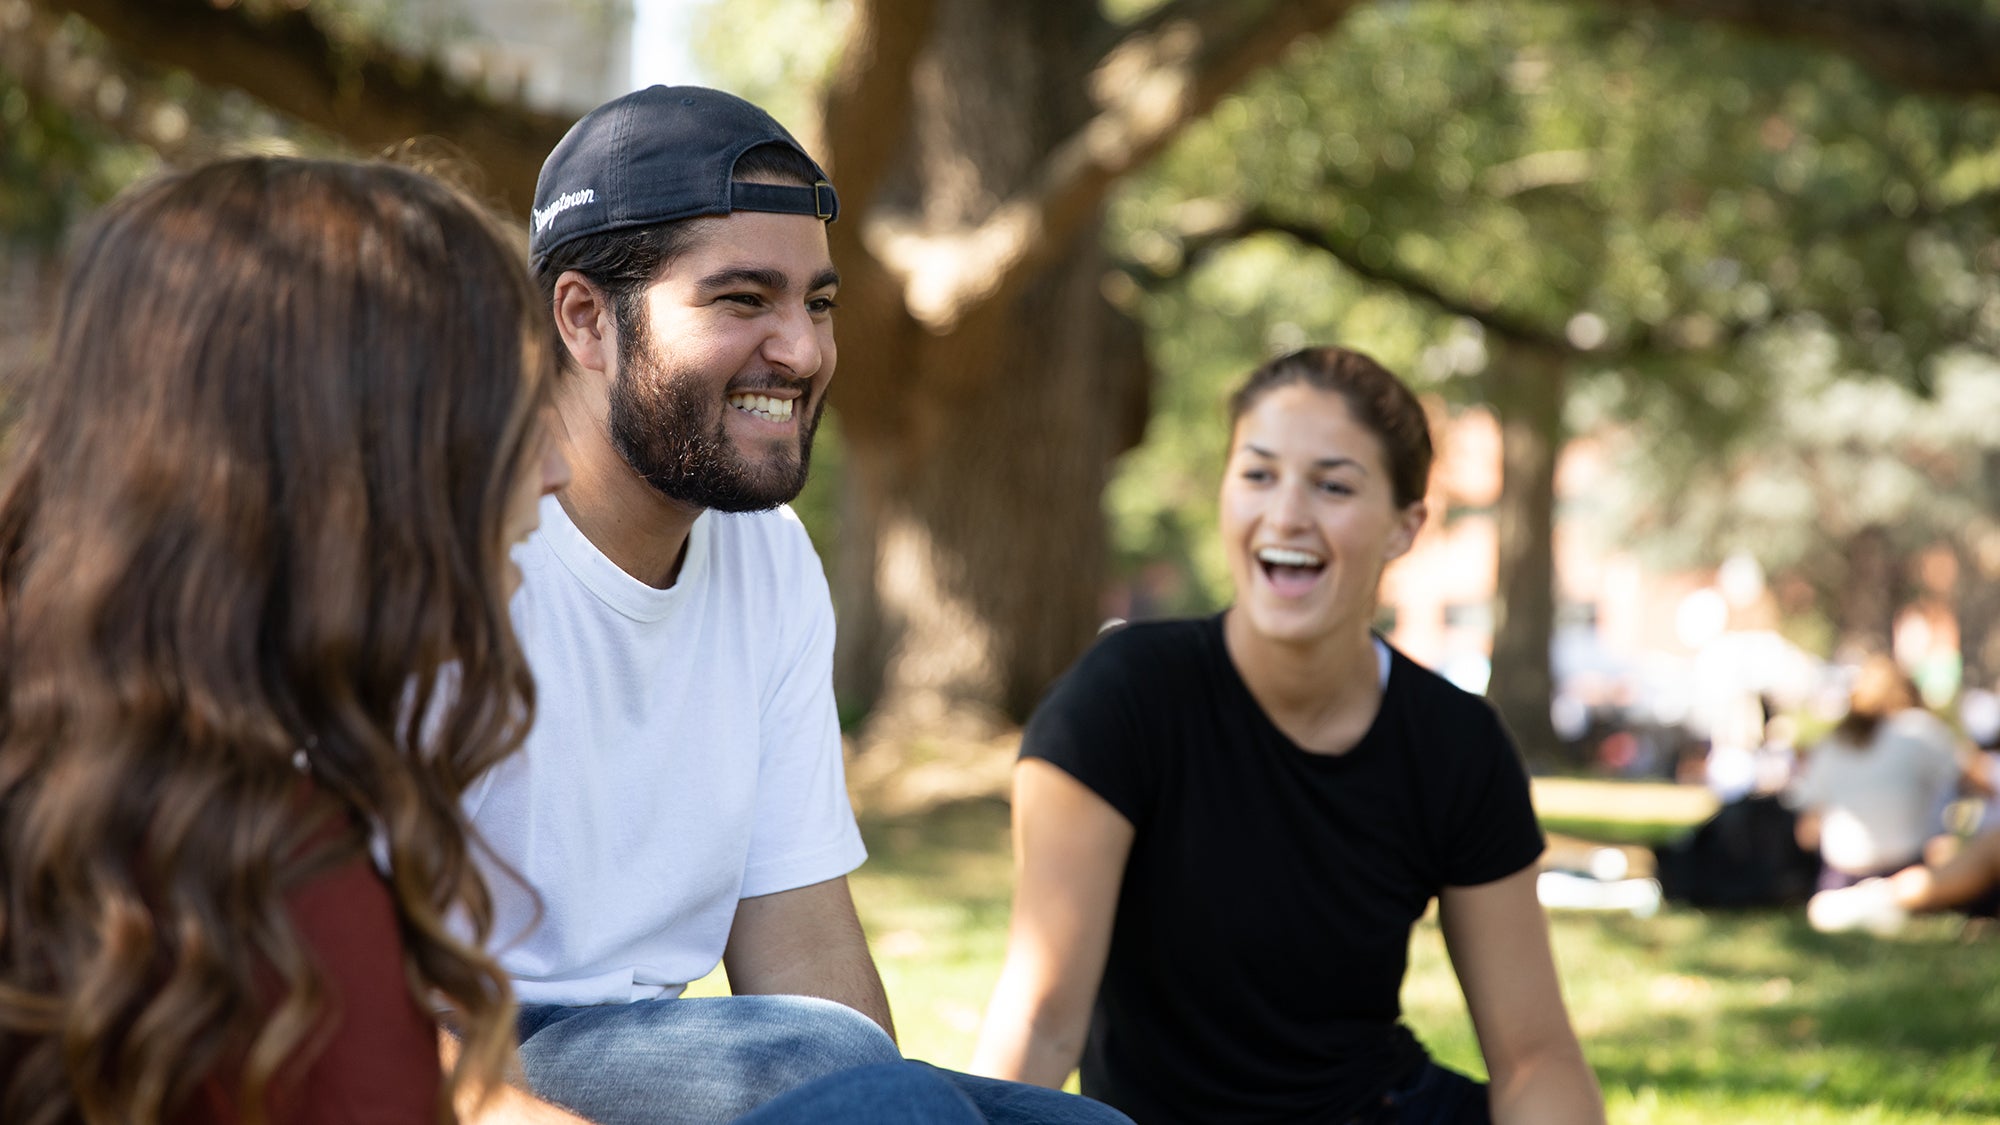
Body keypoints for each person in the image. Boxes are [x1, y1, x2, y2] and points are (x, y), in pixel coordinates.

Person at [459, 85, 1129, 1125]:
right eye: (742, 300)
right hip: (469, 1052)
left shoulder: (767, 558)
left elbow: (804, 947)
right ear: (586, 319)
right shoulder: (440, 539)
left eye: (816, 304)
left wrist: (883, 1102)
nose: (805, 352)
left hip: (694, 1055)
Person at [0, 157, 570, 1124]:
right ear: (362, 465)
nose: (558, 466)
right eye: (512, 409)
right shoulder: (268, 870)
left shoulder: (90, 761)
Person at [970, 346, 1605, 1123]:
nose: (1287, 514)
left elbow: (1534, 1053)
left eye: (1333, 484)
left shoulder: (1456, 742)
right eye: (1258, 474)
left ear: (1405, 527)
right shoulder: (1123, 698)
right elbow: (1040, 1018)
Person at [1782, 655, 1959, 894]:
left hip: (1838, 878)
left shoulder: (1833, 742)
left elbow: (1807, 833)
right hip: (1904, 873)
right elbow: (1978, 779)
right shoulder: (1920, 730)